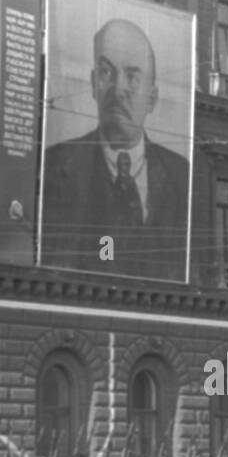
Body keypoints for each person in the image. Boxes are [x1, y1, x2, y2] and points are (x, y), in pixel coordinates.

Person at [41, 19, 190, 280]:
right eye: (107, 72)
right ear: (93, 83)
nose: (118, 89)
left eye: (132, 77)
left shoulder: (181, 175)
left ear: (152, 98)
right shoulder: (55, 163)